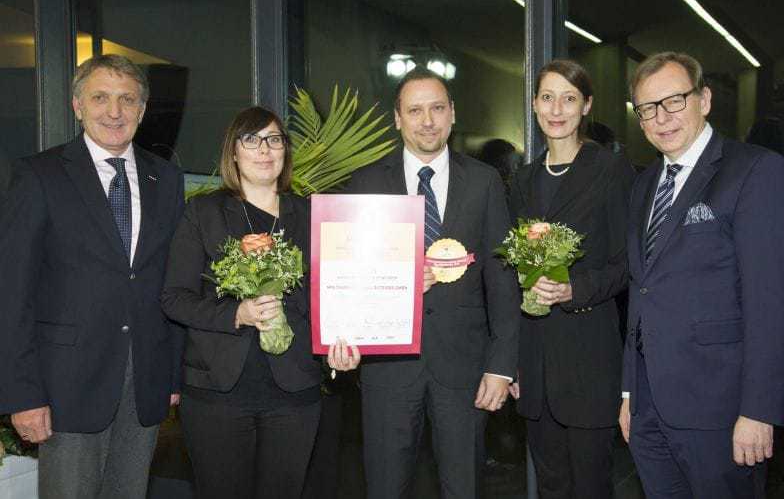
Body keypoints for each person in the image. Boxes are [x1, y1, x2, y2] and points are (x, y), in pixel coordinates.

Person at [0, 54, 185, 499]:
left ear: (143, 109)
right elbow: (12, 292)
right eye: (100, 98)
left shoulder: (166, 178)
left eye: (127, 99)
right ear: (77, 105)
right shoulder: (38, 175)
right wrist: (22, 394)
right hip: (65, 384)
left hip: (144, 379)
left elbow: (171, 281)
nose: (114, 111)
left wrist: (172, 377)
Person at [619, 52, 784, 498]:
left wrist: (759, 410)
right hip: (648, 409)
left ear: (705, 100)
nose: (661, 117)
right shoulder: (643, 185)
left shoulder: (754, 170)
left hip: (722, 409)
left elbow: (772, 301)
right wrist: (628, 394)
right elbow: (642, 291)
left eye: (674, 101)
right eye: (647, 108)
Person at [160, 106, 359, 499]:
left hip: (295, 393)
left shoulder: (314, 215)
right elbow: (174, 298)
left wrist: (340, 351)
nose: (264, 150)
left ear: (285, 150)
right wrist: (237, 312)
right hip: (217, 394)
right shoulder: (203, 213)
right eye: (251, 140)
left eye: (274, 139)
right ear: (233, 152)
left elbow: (336, 295)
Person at [348, 68, 520, 499]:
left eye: (437, 108)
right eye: (415, 110)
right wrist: (342, 336)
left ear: (452, 113)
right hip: (387, 368)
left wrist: (501, 365)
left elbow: (502, 279)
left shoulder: (483, 182)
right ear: (397, 118)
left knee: (463, 487)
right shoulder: (366, 183)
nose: (427, 121)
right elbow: (348, 274)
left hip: (464, 368)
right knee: (385, 488)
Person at [507, 59, 634, 499]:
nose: (556, 109)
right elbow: (511, 274)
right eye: (547, 97)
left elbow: (626, 264)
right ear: (534, 105)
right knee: (551, 487)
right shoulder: (522, 181)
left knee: (591, 485)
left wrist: (574, 290)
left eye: (569, 98)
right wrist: (513, 361)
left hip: (589, 359)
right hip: (535, 362)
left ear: (587, 106)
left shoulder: (611, 171)